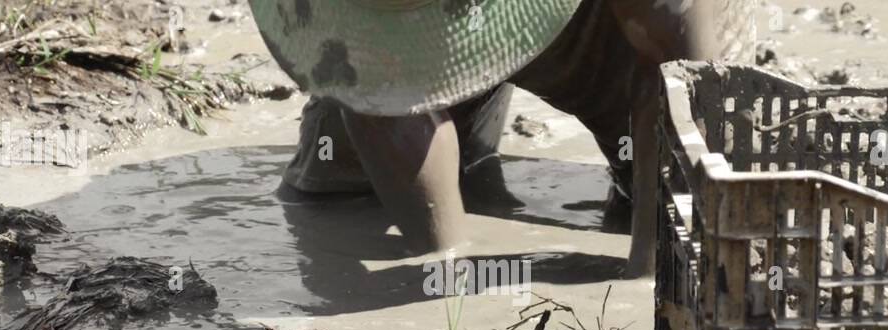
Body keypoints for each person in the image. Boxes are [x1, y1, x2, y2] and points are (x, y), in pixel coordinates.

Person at [250, 0, 755, 281]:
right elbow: (371, 87)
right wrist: (445, 269)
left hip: (610, 22)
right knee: (336, 187)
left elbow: (686, 66)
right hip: (409, 27)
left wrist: (649, 275)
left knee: (674, 195)